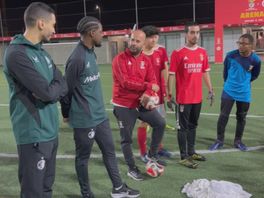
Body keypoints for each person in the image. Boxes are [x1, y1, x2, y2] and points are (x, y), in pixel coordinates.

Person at [60, 16, 139, 198]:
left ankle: (118, 188)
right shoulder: (77, 58)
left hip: (100, 116)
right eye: (100, 32)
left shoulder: (91, 52)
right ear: (91, 33)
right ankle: (86, 194)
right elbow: (65, 90)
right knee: (83, 159)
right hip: (84, 120)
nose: (102, 35)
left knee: (109, 152)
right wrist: (66, 113)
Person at [3, 2, 68, 197]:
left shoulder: (41, 52)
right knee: (33, 192)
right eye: (53, 24)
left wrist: (52, 89)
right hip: (33, 134)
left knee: (47, 188)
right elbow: (48, 93)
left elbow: (62, 83)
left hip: (50, 131)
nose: (54, 30)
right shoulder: (16, 54)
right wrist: (52, 89)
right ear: (41, 23)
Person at [112, 29, 166, 181]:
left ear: (143, 43)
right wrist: (147, 87)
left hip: (141, 102)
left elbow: (154, 81)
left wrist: (147, 93)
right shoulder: (119, 59)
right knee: (126, 139)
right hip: (124, 104)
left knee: (160, 123)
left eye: (137, 41)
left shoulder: (146, 60)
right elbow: (125, 83)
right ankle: (131, 168)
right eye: (132, 40)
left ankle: (152, 156)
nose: (133, 43)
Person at [168, 22, 214, 169]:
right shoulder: (178, 53)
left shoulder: (202, 52)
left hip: (197, 97)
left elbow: (205, 71)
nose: (195, 35)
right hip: (184, 98)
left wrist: (210, 89)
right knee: (183, 127)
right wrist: (170, 94)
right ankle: (183, 156)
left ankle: (191, 151)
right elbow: (172, 74)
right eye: (192, 32)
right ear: (186, 34)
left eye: (197, 32)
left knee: (193, 125)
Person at [209, 34, 261, 151]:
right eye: (240, 43)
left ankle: (238, 141)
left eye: (244, 44)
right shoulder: (230, 56)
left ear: (251, 45)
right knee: (223, 116)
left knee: (241, 118)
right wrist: (230, 83)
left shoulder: (255, 59)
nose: (241, 46)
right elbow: (225, 73)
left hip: (244, 93)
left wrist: (245, 82)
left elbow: (255, 74)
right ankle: (219, 140)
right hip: (229, 91)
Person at [137, 25, 172, 163]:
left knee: (160, 122)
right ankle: (143, 152)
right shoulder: (138, 54)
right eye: (151, 37)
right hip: (145, 96)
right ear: (144, 38)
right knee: (144, 124)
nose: (154, 40)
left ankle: (158, 148)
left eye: (156, 37)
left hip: (159, 94)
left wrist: (168, 91)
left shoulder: (161, 51)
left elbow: (165, 70)